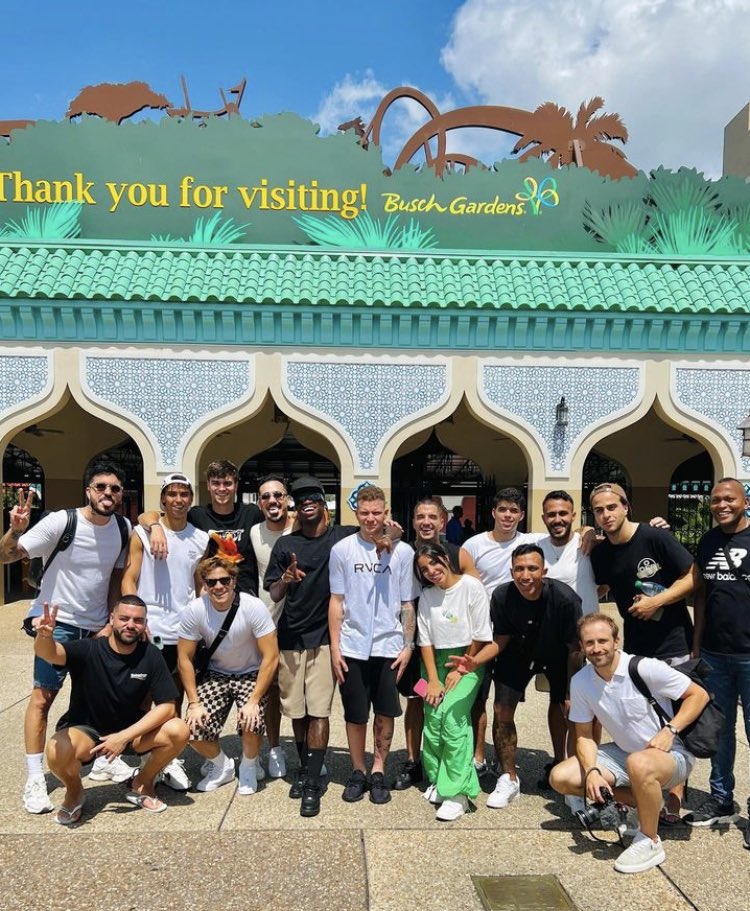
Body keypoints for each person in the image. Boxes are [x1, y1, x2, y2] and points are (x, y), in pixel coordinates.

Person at [0, 463, 132, 813]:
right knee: (43, 698)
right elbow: (6, 556)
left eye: (115, 489)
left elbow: (116, 579)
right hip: (56, 624)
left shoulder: (122, 527)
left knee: (101, 700)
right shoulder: (63, 521)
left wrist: (111, 621)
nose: (108, 494)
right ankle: (33, 779)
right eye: (101, 487)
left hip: (96, 628)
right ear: (88, 490)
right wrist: (15, 531)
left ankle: (101, 759)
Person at [551, 614, 708, 874]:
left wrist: (671, 729)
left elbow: (698, 695)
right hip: (623, 754)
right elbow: (584, 735)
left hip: (672, 756)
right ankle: (645, 802)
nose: (597, 648)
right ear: (581, 645)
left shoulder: (644, 668)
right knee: (562, 778)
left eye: (603, 640)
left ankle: (650, 841)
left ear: (616, 641)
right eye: (589, 642)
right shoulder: (581, 681)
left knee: (639, 762)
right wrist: (591, 771)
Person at [588, 481, 695, 823]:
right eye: (598, 511)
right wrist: (586, 533)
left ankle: (676, 793)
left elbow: (694, 575)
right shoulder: (603, 552)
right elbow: (602, 586)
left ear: (626, 507)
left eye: (611, 507)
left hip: (673, 642)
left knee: (677, 716)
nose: (606, 514)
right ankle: (643, 782)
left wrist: (657, 601)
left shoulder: (655, 537)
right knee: (642, 714)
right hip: (634, 647)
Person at [36, 596, 190, 824]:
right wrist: (45, 636)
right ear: (111, 619)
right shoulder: (88, 649)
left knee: (179, 730)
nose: (130, 625)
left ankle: (143, 783)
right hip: (87, 731)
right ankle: (74, 791)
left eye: (138, 620)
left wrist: (122, 737)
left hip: (131, 732)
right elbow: (50, 653)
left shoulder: (151, 654)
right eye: (124, 618)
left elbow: (167, 707)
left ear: (145, 624)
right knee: (55, 750)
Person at [451, 544, 582, 809]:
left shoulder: (566, 599)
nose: (525, 575)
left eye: (532, 568)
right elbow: (500, 640)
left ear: (543, 571)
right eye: (519, 569)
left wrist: (571, 691)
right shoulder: (501, 596)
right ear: (511, 571)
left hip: (558, 654)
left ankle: (565, 769)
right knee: (502, 710)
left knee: (566, 709)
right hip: (516, 653)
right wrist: (475, 661)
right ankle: (509, 777)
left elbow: (575, 650)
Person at [264, 476, 357, 817]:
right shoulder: (285, 545)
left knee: (318, 710)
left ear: (323, 502)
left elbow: (381, 535)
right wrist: (285, 580)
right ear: (294, 506)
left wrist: (390, 533)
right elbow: (272, 591)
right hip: (290, 637)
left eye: (313, 497)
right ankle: (307, 768)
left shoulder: (342, 537)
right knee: (298, 712)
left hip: (324, 639)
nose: (306, 503)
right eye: (299, 498)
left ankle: (312, 781)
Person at [328, 485, 419, 806]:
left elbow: (408, 602)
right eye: (364, 513)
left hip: (389, 645)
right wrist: (335, 648)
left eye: (376, 513)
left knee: (385, 711)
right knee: (355, 714)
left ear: (386, 513)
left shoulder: (403, 552)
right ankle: (357, 770)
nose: (370, 519)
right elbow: (336, 601)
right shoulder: (342, 550)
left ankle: (378, 769)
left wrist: (408, 645)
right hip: (352, 645)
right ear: (357, 513)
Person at [121, 472, 208, 792]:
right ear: (163, 499)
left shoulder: (200, 539)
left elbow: (199, 586)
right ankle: (146, 758)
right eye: (172, 494)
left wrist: (200, 623)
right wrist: (134, 618)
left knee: (175, 697)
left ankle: (168, 758)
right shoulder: (142, 533)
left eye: (184, 494)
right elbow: (130, 577)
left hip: (182, 631)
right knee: (145, 698)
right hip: (150, 630)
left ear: (191, 499)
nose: (178, 500)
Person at [394, 496, 479, 791]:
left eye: (432, 516)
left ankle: (471, 761)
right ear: (413, 521)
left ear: (442, 521)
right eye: (420, 517)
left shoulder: (458, 555)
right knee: (417, 700)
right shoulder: (401, 552)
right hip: (412, 644)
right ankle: (413, 759)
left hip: (450, 645)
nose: (426, 522)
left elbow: (475, 597)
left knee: (464, 706)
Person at [177, 554, 278, 795]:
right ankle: (222, 765)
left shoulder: (252, 606)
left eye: (224, 580)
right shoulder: (195, 610)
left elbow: (271, 656)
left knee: (251, 721)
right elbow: (184, 659)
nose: (218, 586)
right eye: (211, 582)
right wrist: (193, 702)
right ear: (204, 584)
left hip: (250, 672)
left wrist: (254, 701)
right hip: (217, 673)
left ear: (234, 581)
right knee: (192, 728)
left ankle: (250, 765)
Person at [462, 488, 544, 773]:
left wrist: (587, 534)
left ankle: (502, 758)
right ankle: (477, 754)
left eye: (514, 511)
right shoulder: (473, 545)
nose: (508, 515)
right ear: (493, 513)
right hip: (482, 632)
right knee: (477, 697)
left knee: (505, 702)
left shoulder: (532, 541)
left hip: (515, 633)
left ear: (521, 515)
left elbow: (570, 536)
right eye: (503, 510)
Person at [687, 477, 750, 837]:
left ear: (744, 502)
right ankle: (721, 797)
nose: (722, 505)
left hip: (749, 654)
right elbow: (701, 595)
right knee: (719, 731)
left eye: (729, 499)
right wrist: (697, 642)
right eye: (715, 500)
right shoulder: (709, 540)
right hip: (715, 653)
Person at [414, 542, 492, 820]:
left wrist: (461, 669)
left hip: (467, 662)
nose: (432, 571)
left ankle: (459, 793)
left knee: (453, 716)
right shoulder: (426, 596)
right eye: (424, 569)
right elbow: (424, 640)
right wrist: (432, 680)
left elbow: (482, 634)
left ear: (446, 559)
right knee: (432, 718)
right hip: (431, 667)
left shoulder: (471, 586)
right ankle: (439, 779)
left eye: (435, 563)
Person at [142, 459, 263, 595]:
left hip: (245, 596)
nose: (222, 488)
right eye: (216, 483)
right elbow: (148, 516)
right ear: (208, 486)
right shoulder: (196, 515)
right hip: (213, 595)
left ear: (236, 485)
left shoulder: (252, 514)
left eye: (227, 483)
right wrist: (155, 527)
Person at [250, 473, 295, 779]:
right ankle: (274, 748)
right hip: (265, 621)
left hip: (298, 621)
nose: (272, 501)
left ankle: (305, 751)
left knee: (297, 691)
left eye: (278, 495)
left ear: (287, 498)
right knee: (268, 690)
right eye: (266, 497)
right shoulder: (253, 532)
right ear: (259, 502)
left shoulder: (301, 527)